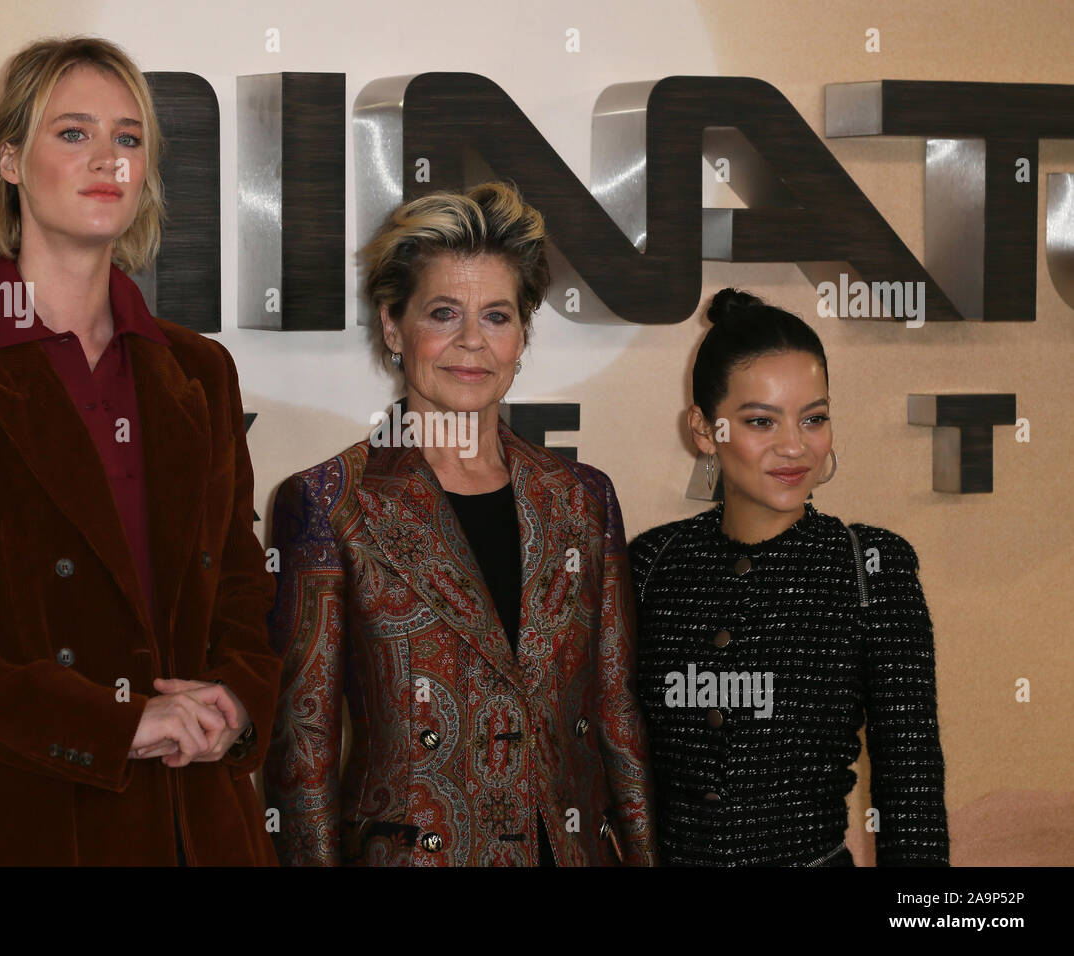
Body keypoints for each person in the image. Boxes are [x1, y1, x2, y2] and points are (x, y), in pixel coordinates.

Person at [0, 36, 280, 865]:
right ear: (10, 161)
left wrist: (237, 700)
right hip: (26, 816)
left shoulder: (199, 371)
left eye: (128, 138)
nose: (107, 160)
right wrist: (111, 724)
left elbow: (237, 578)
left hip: (199, 819)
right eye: (73, 132)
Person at [263, 181, 656, 866]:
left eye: (498, 316)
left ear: (523, 335)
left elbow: (617, 714)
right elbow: (304, 750)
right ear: (393, 326)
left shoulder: (584, 501)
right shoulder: (330, 503)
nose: (472, 342)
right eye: (443, 313)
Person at [628, 287, 949, 866]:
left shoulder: (872, 567)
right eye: (760, 421)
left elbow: (912, 793)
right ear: (705, 431)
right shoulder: (651, 565)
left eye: (815, 418)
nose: (795, 446)